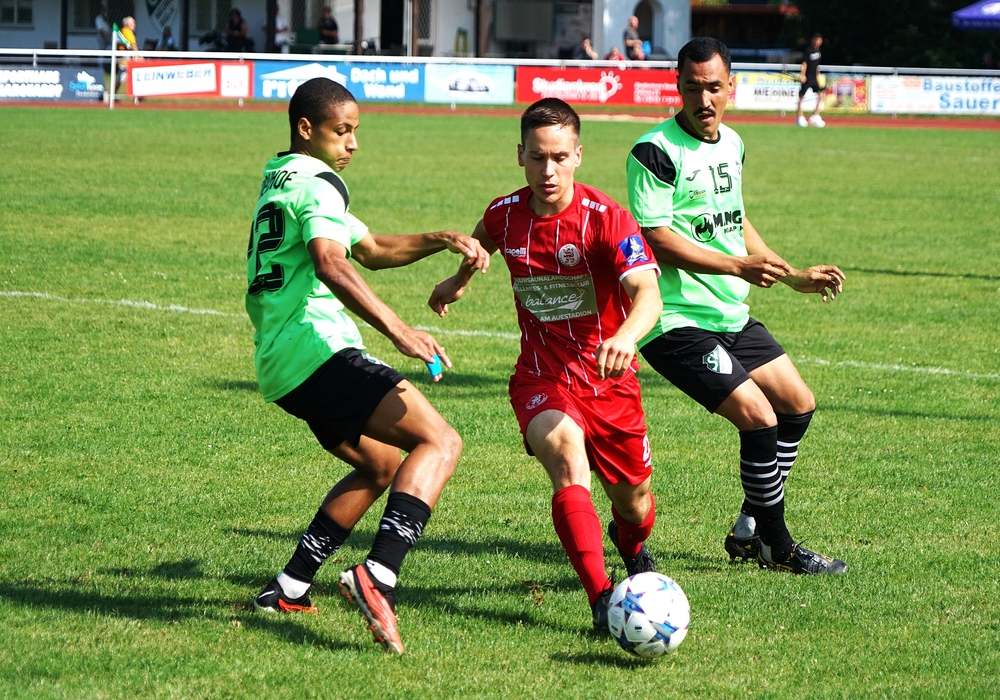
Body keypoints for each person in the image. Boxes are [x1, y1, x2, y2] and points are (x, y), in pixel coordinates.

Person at [247, 77, 489, 655]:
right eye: (342, 131)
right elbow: (331, 263)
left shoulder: (282, 176)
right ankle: (378, 575)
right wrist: (400, 331)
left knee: (380, 465)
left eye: (356, 132)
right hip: (318, 350)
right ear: (306, 129)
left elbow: (371, 250)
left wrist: (439, 238)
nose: (353, 143)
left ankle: (289, 586)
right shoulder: (321, 183)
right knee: (441, 442)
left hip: (281, 362)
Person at [429, 98, 665, 631]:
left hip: (608, 380)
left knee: (634, 502)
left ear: (578, 155)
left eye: (559, 157)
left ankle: (630, 545)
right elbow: (483, 238)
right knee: (566, 460)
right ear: (521, 155)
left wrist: (626, 336)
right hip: (541, 375)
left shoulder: (608, 219)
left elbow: (648, 293)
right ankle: (601, 599)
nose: (548, 170)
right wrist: (459, 279)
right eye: (537, 157)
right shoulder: (505, 212)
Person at [625, 37, 848, 576]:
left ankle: (750, 526)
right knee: (759, 417)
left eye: (714, 87)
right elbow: (655, 237)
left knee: (797, 404)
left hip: (730, 313)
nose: (704, 100)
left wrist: (791, 276)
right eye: (692, 87)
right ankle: (777, 545)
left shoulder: (734, 143)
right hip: (674, 320)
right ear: (678, 87)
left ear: (731, 87)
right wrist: (736, 267)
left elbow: (735, 218)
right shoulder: (654, 151)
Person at [796, 34, 826, 128]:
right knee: (801, 96)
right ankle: (799, 117)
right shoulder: (808, 51)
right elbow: (804, 64)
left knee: (821, 95)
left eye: (819, 40)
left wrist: (818, 76)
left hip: (814, 78)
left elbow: (817, 66)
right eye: (816, 40)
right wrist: (802, 75)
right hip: (807, 77)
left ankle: (815, 115)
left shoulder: (818, 52)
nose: (817, 42)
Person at [95, 5, 111, 74]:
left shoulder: (104, 19)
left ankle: (106, 67)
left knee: (106, 52)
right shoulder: (98, 19)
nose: (103, 12)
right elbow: (101, 30)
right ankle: (100, 68)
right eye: (102, 10)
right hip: (102, 37)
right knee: (101, 52)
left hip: (107, 37)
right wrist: (107, 37)